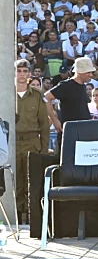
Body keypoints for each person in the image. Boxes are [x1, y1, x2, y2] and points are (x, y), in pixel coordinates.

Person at [14, 60, 50, 224]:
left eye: (24, 71)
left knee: (32, 182)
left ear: (29, 74)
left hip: (32, 142)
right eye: (18, 71)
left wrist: (44, 149)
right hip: (12, 142)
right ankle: (16, 216)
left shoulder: (36, 96)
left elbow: (44, 124)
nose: (21, 74)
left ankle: (31, 217)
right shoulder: (6, 93)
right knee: (15, 181)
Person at [45, 57, 94, 134]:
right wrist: (55, 120)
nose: (91, 75)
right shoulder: (66, 85)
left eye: (91, 72)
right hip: (69, 132)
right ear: (79, 72)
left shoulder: (83, 86)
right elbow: (45, 98)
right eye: (88, 72)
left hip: (83, 130)